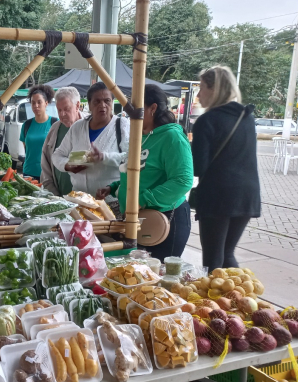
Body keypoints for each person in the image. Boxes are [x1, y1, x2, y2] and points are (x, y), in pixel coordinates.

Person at [97, 85, 194, 261]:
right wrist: (113, 188)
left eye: (136, 107)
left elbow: (183, 180)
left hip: (164, 221)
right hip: (138, 220)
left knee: (157, 280)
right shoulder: (140, 136)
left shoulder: (172, 137)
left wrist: (142, 200)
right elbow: (140, 174)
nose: (131, 113)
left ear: (153, 108)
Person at [192, 66, 260, 269]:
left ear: (215, 89)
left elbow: (198, 167)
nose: (198, 94)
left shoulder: (207, 121)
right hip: (247, 195)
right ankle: (243, 298)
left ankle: (218, 300)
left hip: (218, 196)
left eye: (201, 88)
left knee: (213, 259)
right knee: (227, 254)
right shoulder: (246, 117)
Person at [52, 82, 129, 200]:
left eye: (107, 101)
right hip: (80, 201)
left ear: (112, 102)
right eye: (97, 101)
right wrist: (68, 165)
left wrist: (104, 157)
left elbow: (130, 159)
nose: (102, 105)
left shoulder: (122, 126)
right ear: (89, 104)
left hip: (111, 202)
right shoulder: (78, 127)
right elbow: (57, 155)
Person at [41, 87, 88, 196]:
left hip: (87, 199)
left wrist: (63, 161)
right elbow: (45, 161)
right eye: (59, 110)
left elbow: (90, 158)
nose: (62, 114)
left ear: (77, 106)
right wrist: (53, 193)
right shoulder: (55, 129)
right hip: (59, 196)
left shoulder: (90, 126)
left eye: (66, 109)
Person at [20, 85, 57, 181]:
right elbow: (27, 150)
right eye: (33, 103)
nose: (36, 106)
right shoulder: (26, 125)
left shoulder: (55, 123)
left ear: (46, 103)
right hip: (28, 173)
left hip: (48, 174)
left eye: (39, 102)